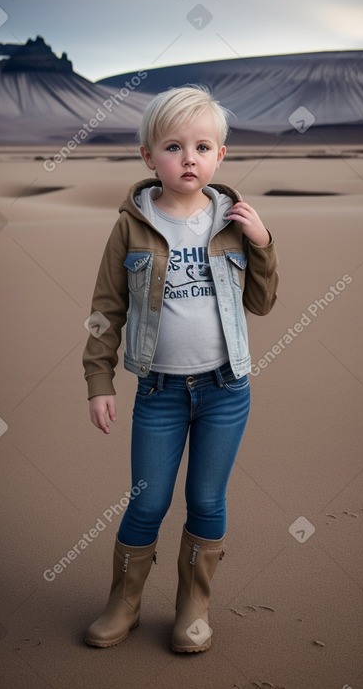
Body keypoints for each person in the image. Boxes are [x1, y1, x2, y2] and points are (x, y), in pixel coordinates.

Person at [82, 84, 278, 653]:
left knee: (208, 501)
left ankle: (193, 605)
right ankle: (124, 603)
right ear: (148, 157)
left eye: (201, 146)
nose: (187, 158)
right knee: (147, 500)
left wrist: (263, 243)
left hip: (225, 389)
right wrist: (99, 381)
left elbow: (261, 302)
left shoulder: (231, 221)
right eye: (172, 146)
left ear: (220, 156)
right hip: (159, 391)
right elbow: (105, 311)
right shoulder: (132, 225)